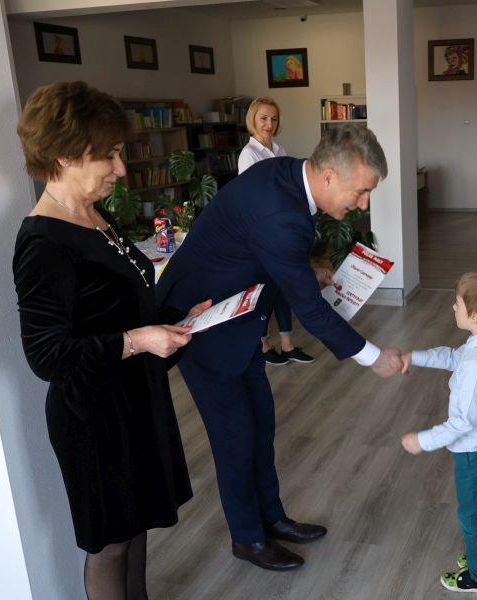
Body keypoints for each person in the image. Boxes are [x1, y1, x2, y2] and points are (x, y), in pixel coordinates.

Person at [13, 81, 212, 600]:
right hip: (91, 413)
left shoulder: (94, 216)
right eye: (109, 155)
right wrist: (138, 341)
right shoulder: (42, 240)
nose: (121, 170)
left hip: (132, 396)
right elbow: (46, 355)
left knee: (136, 517)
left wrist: (176, 321)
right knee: (110, 541)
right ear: (65, 154)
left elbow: (119, 307)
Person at [157, 125, 403, 572]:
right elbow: (311, 312)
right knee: (235, 435)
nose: (364, 204)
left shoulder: (287, 175)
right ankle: (247, 538)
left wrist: (303, 272)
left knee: (261, 423)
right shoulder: (281, 214)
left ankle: (271, 518)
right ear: (328, 176)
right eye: (361, 192)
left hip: (238, 318)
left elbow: (264, 247)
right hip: (202, 324)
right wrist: (374, 356)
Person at [400, 271, 477, 595]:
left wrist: (422, 441)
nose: (453, 307)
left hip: (475, 451)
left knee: (472, 516)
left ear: (474, 316)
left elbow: (463, 422)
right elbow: (453, 357)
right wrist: (415, 357)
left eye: (458, 304)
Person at [237, 97, 313, 367]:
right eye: (263, 118)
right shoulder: (249, 154)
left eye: (274, 119)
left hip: (281, 227)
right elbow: (252, 196)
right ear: (253, 120)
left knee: (282, 286)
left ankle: (288, 345)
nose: (269, 124)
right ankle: (264, 345)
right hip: (261, 231)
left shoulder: (279, 149)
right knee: (265, 290)